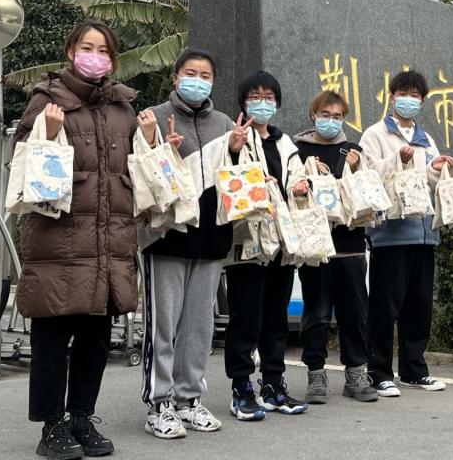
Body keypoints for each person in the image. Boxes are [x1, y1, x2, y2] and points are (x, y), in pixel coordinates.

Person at [15, 20, 154, 460]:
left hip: (109, 243)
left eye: (104, 50)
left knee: (95, 340)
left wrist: (152, 140)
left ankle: (81, 417)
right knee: (52, 338)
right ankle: (51, 425)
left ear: (113, 59)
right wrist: (46, 131)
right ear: (71, 51)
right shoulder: (47, 100)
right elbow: (24, 161)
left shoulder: (124, 108)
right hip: (59, 241)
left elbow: (140, 170)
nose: (95, 56)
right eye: (87, 47)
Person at [198, 70, 310, 421]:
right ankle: (242, 388)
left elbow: (298, 179)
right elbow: (222, 179)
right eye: (255, 97)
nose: (262, 103)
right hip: (247, 244)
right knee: (246, 319)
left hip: (281, 243)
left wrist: (299, 187)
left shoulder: (285, 142)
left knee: (276, 319)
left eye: (269, 97)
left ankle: (273, 384)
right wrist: (234, 152)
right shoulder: (235, 138)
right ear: (243, 102)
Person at [139, 49, 235, 439]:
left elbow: (236, 176)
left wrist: (235, 148)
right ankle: (159, 402)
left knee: (198, 326)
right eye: (191, 73)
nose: (198, 81)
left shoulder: (225, 123)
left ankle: (189, 399)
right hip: (167, 237)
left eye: (206, 75)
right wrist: (157, 144)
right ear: (176, 77)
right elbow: (139, 172)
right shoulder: (153, 116)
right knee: (163, 325)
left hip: (212, 238)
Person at [359, 70, 453, 398]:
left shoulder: (425, 138)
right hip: (391, 234)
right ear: (391, 97)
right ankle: (378, 372)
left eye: (414, 95)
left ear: (423, 101)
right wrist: (395, 160)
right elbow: (366, 175)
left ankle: (414, 370)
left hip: (424, 233)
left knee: (419, 306)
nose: (408, 100)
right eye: (403, 94)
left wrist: (438, 167)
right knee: (385, 307)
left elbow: (430, 181)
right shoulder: (375, 134)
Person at [293, 90, 378, 404]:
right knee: (316, 314)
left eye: (338, 116)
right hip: (315, 248)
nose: (331, 120)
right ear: (314, 115)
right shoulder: (298, 150)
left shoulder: (353, 150)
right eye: (325, 115)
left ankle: (356, 374)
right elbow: (291, 194)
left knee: (355, 314)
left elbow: (367, 196)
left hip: (350, 246)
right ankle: (316, 374)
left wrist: (355, 169)